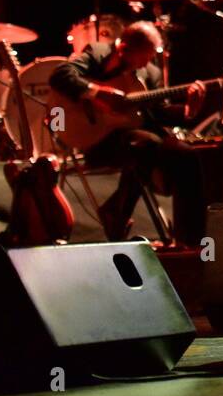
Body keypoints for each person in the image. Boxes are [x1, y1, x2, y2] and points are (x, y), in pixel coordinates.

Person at [49, 21, 206, 240]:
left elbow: (157, 113)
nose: (148, 62)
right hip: (97, 137)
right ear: (124, 48)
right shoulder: (97, 53)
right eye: (145, 56)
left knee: (187, 155)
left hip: (136, 135)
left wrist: (188, 111)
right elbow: (60, 75)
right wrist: (95, 93)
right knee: (146, 144)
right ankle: (118, 212)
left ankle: (191, 238)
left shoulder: (150, 73)